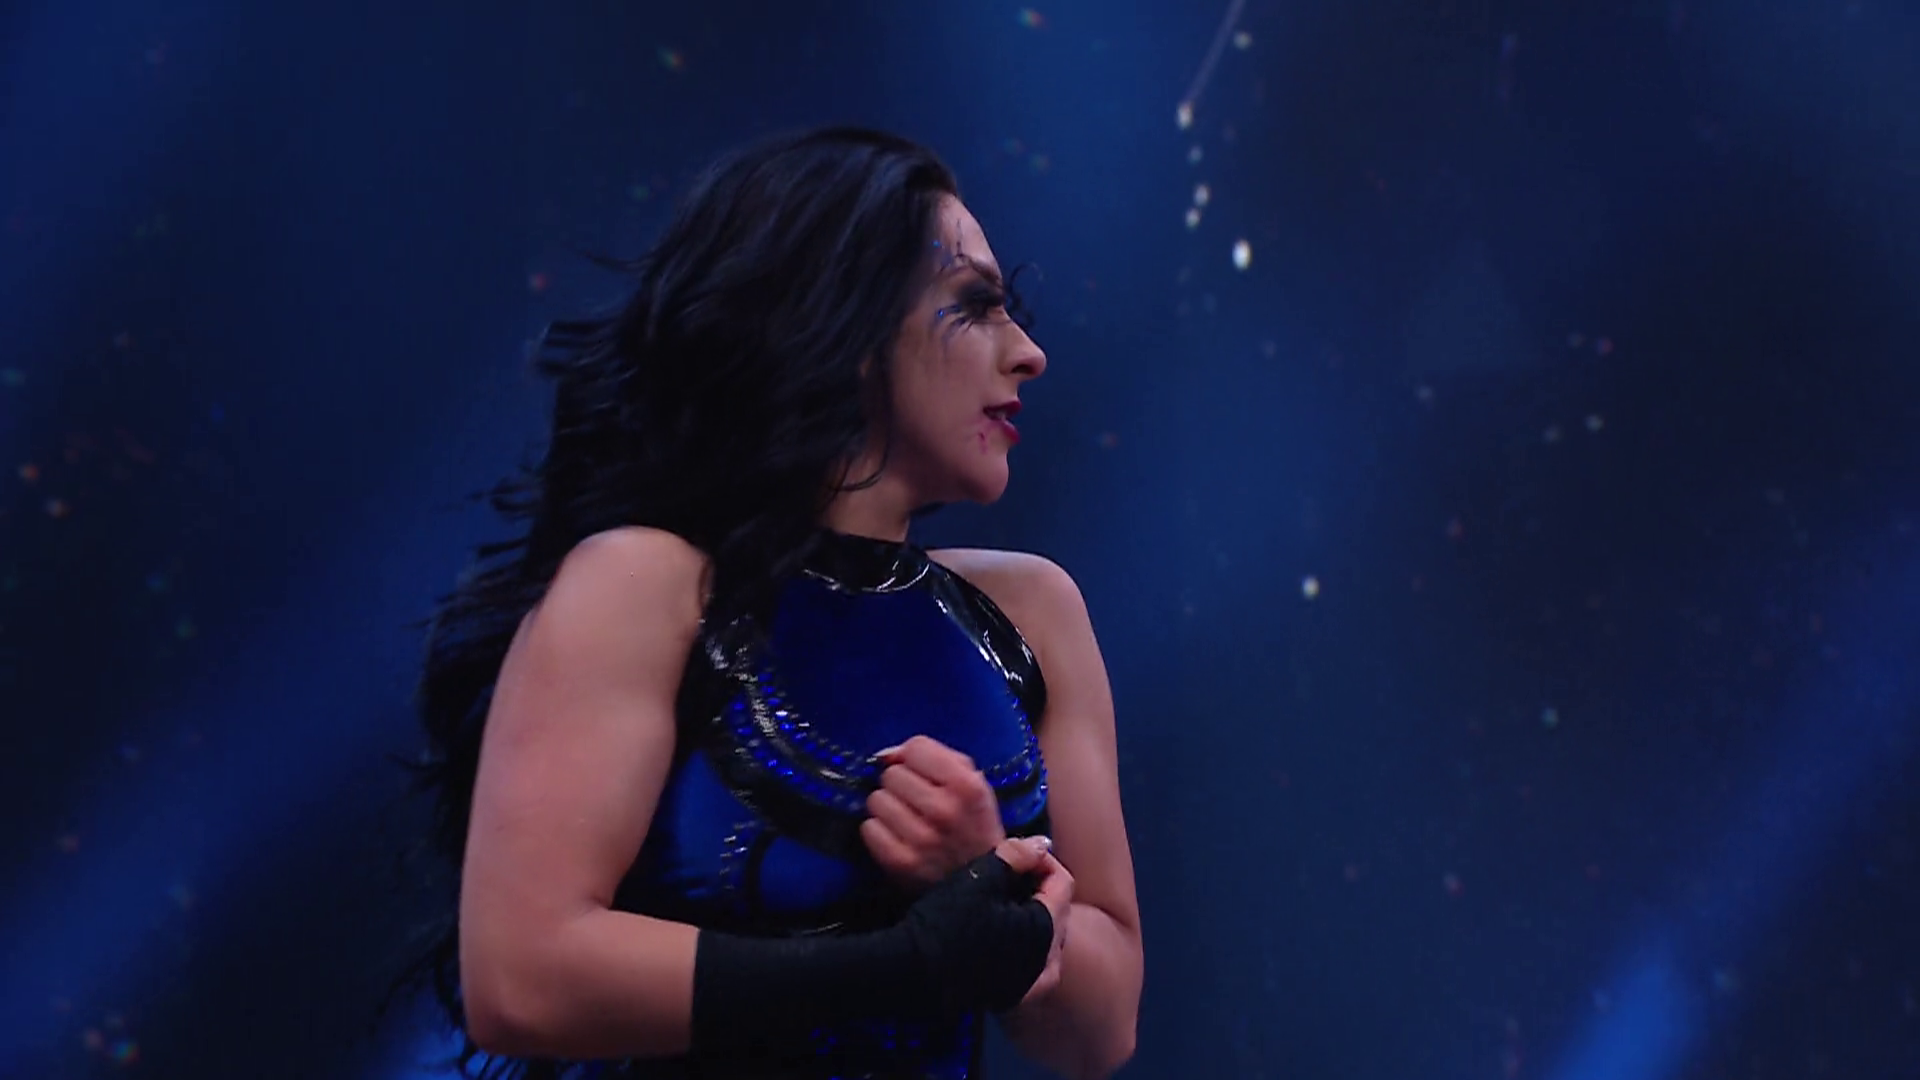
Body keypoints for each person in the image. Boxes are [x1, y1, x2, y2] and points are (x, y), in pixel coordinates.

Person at [407, 126, 1142, 1080]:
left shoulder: (1033, 612)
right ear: (842, 323)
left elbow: (1099, 1035)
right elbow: (519, 978)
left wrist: (981, 873)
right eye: (974, 306)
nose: (1031, 354)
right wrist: (910, 962)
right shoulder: (646, 584)